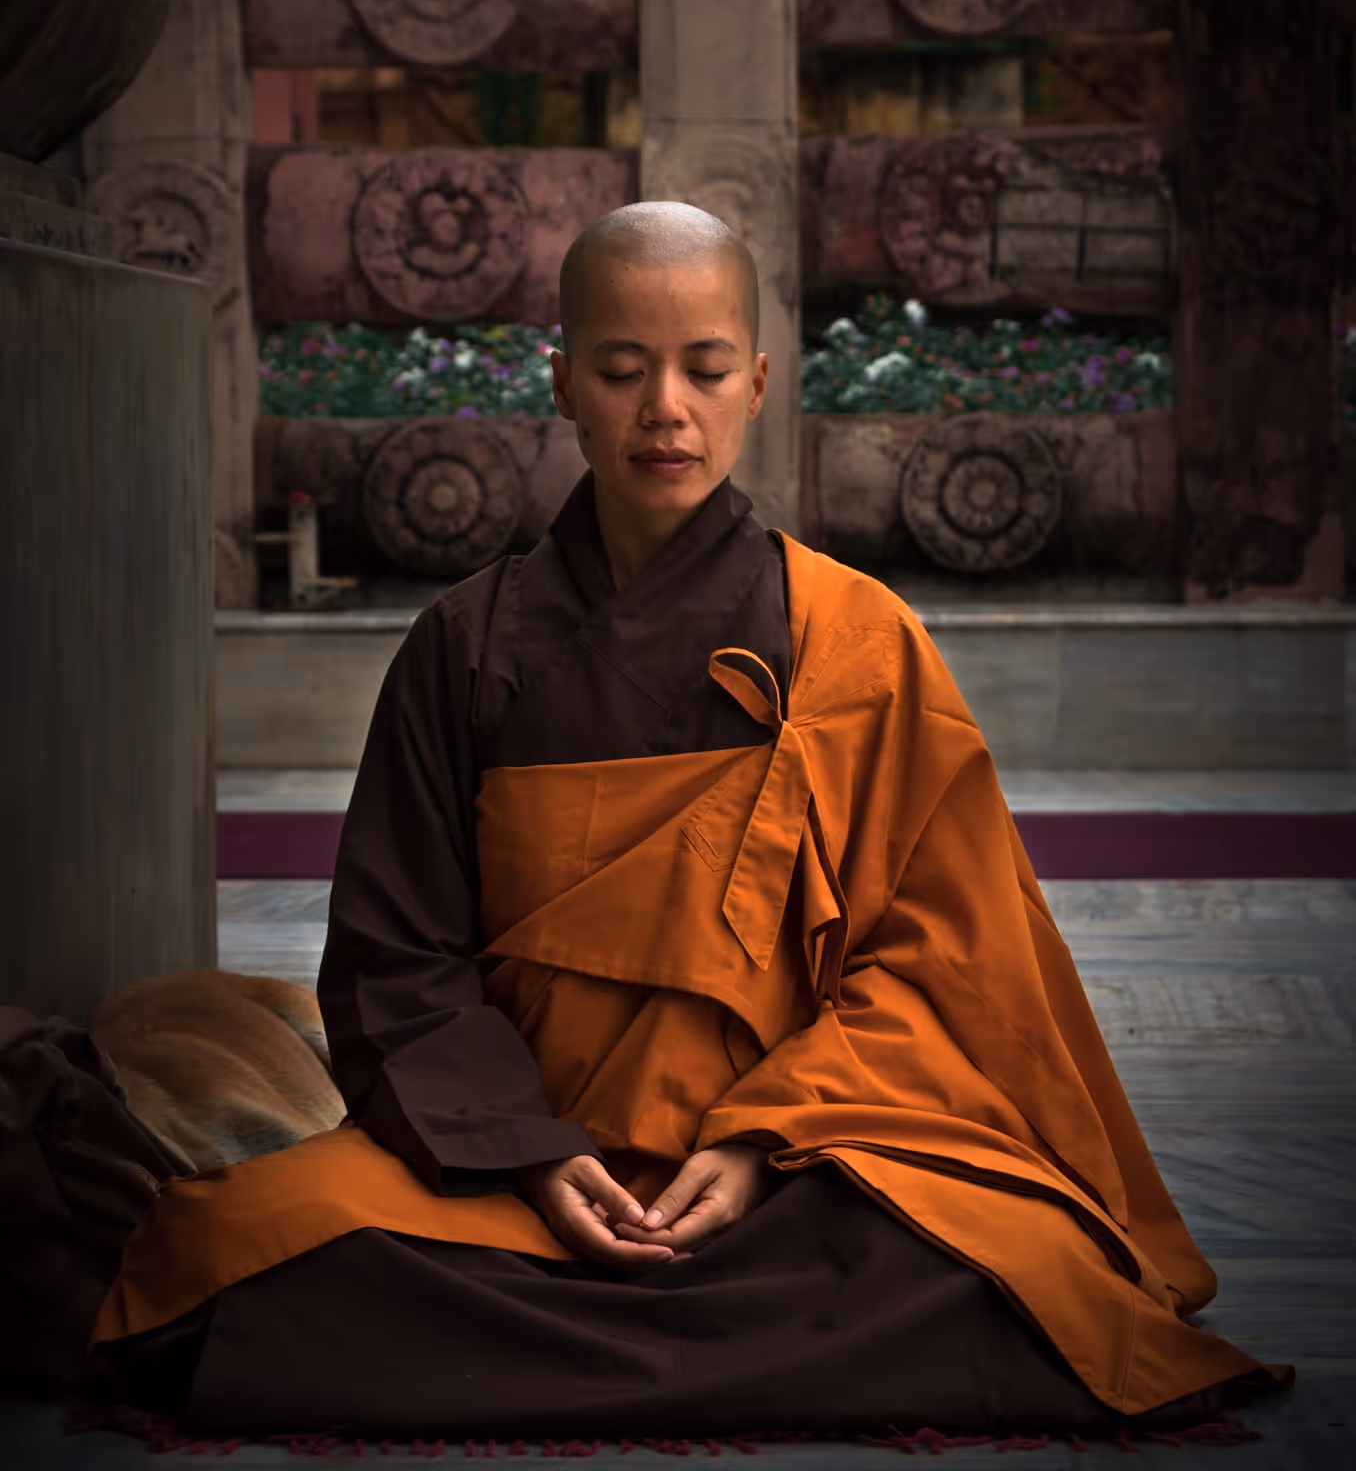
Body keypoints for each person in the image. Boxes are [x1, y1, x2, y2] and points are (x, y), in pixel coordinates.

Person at [91, 204, 1284, 1439]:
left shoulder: (855, 641)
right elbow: (400, 958)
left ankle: (575, 1335)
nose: (666, 406)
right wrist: (539, 1159)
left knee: (1014, 1267)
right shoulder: (465, 646)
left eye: (705, 368)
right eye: (621, 368)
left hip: (795, 1160)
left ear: (758, 383)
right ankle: (717, 1333)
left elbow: (940, 962)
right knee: (234, 1249)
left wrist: (768, 1139)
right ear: (563, 382)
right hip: (514, 1164)